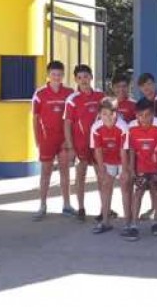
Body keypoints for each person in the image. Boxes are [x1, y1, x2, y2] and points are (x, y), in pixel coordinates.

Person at [122, 98, 157, 241]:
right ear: (136, 115)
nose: (144, 118)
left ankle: (156, 222)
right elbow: (131, 147)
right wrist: (131, 166)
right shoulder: (131, 127)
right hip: (141, 166)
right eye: (140, 115)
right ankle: (134, 225)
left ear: (153, 114)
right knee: (138, 193)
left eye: (147, 115)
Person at [31, 60, 75, 220]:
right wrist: (37, 140)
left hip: (63, 140)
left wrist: (70, 141)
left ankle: (67, 205)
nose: (56, 77)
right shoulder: (40, 94)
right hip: (46, 140)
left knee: (65, 172)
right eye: (53, 74)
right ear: (48, 75)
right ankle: (42, 205)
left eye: (59, 74)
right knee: (45, 173)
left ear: (63, 75)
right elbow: (35, 119)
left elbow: (73, 119)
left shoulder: (69, 93)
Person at [63, 64, 106, 221]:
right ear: (75, 79)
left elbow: (107, 117)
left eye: (86, 77)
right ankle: (81, 208)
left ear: (91, 77)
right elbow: (67, 124)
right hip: (80, 144)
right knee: (80, 176)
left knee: (101, 176)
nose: (83, 80)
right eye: (80, 78)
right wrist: (70, 146)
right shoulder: (72, 99)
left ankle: (104, 209)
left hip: (98, 144)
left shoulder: (101, 96)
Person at [90, 99, 129, 234]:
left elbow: (124, 150)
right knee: (106, 188)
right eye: (104, 114)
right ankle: (105, 221)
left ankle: (128, 223)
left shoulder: (122, 127)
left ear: (115, 114)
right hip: (107, 160)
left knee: (125, 189)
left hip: (123, 159)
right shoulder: (96, 127)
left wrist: (124, 171)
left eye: (110, 114)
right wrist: (101, 170)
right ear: (99, 114)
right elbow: (98, 149)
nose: (107, 117)